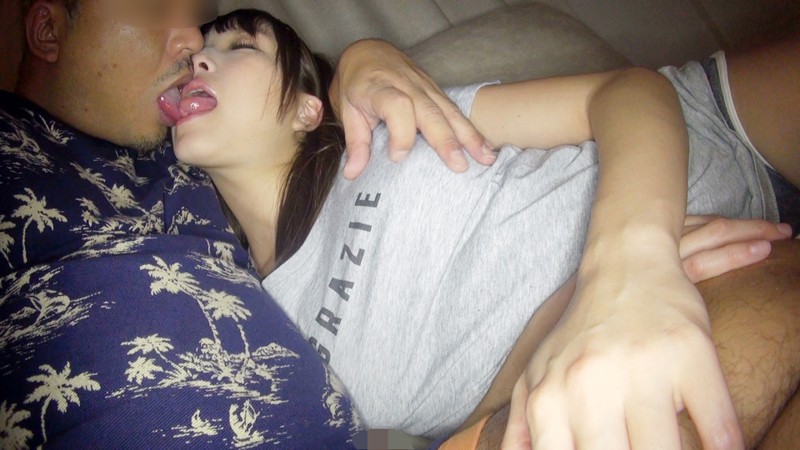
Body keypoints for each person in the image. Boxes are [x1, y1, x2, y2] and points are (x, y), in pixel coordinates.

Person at [170, 8, 799, 449]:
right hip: (719, 303)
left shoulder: (374, 128)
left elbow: (624, 92)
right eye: (200, 53)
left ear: (308, 108)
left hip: (721, 126)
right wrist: (579, 301)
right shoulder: (261, 328)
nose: (199, 58)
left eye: (238, 46)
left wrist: (630, 259)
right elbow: (463, 420)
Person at [0, 0, 496, 447]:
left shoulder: (194, 145)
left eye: (194, 19)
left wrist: (358, 58)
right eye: (154, 10)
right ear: (48, 30)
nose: (191, 41)